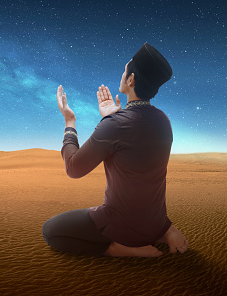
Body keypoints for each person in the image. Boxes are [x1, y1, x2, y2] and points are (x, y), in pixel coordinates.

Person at [42, 43, 189, 257]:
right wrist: (110, 118)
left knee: (51, 232)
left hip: (123, 227)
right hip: (155, 222)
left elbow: (74, 168)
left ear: (131, 80)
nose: (122, 74)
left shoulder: (117, 124)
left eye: (124, 70)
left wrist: (70, 122)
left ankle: (117, 249)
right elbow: (135, 152)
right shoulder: (163, 120)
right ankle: (165, 231)